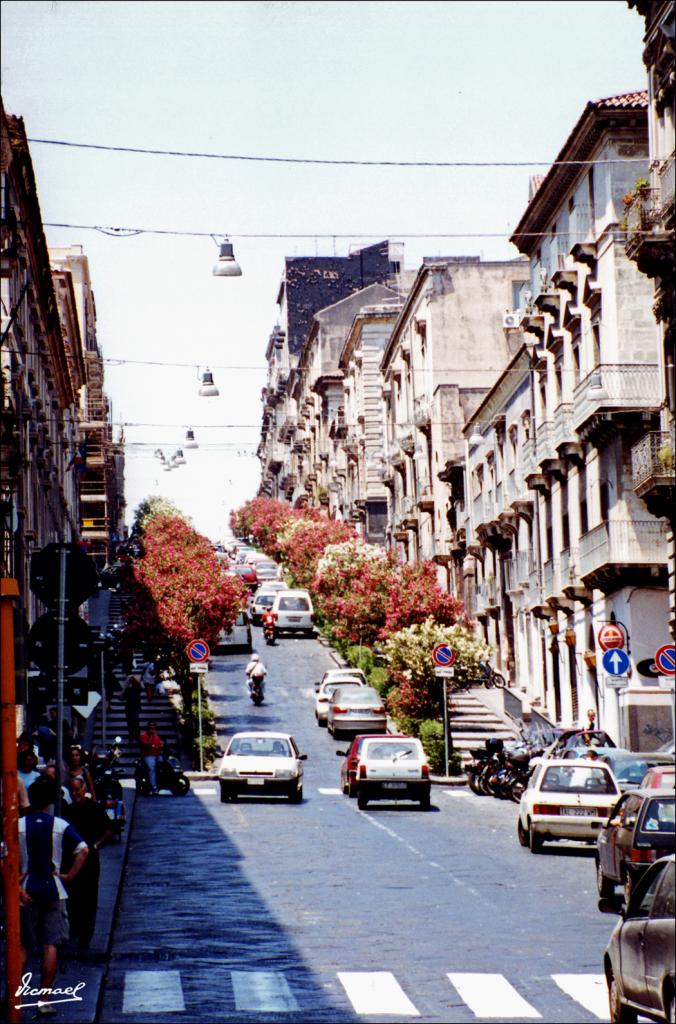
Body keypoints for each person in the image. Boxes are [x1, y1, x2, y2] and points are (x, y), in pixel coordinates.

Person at [19, 775, 89, 1015]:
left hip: (26, 889)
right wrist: (68, 876)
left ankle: (14, 997)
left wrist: (17, 883)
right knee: (51, 945)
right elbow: (83, 849)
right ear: (50, 801)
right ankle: (44, 1000)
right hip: (54, 889)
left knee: (23, 946)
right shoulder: (59, 825)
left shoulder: (18, 826)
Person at [64, 777, 115, 949]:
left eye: (77, 790)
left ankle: (86, 934)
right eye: (72, 791)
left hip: (90, 859)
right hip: (72, 859)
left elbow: (109, 829)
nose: (75, 794)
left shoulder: (94, 808)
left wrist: (96, 845)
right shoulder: (68, 810)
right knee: (74, 896)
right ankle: (76, 931)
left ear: (83, 789)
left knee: (89, 896)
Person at [139, 721, 164, 794]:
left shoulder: (156, 736)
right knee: (151, 768)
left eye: (153, 728)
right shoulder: (143, 736)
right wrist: (152, 745)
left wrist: (161, 745)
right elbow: (145, 744)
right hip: (148, 755)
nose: (152, 729)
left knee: (163, 764)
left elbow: (160, 744)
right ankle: (154, 786)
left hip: (157, 755)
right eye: (151, 728)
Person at [120, 671, 143, 741]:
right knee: (130, 723)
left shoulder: (137, 688)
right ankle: (131, 736)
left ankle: (137, 736)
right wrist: (125, 686)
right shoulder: (127, 690)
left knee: (136, 722)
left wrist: (133, 677)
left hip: (135, 707)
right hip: (128, 708)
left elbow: (139, 684)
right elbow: (121, 697)